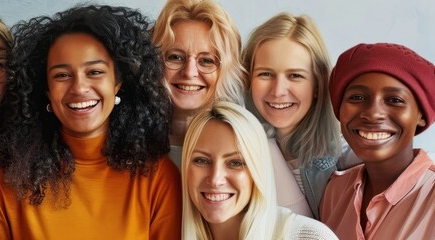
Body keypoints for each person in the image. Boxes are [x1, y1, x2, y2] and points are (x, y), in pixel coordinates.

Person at [0, 5, 180, 239]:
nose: (79, 88)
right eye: (62, 75)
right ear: (47, 91)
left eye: (94, 72)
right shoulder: (8, 177)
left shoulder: (157, 176)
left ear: (117, 83)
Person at [321, 43, 435, 239]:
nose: (373, 114)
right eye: (357, 97)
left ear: (421, 115)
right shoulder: (335, 191)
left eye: (394, 100)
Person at [181, 101, 337, 239]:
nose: (215, 179)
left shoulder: (311, 237)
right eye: (201, 160)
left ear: (258, 171)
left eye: (235, 163)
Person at [241, 12, 341, 218]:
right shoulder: (237, 151)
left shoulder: (346, 160)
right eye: (265, 74)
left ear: (317, 84)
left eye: (295, 75)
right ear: (248, 80)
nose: (278, 91)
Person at [152, 0, 245, 167]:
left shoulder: (245, 145)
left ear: (225, 71)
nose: (189, 72)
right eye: (175, 57)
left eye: (206, 60)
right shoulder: (124, 143)